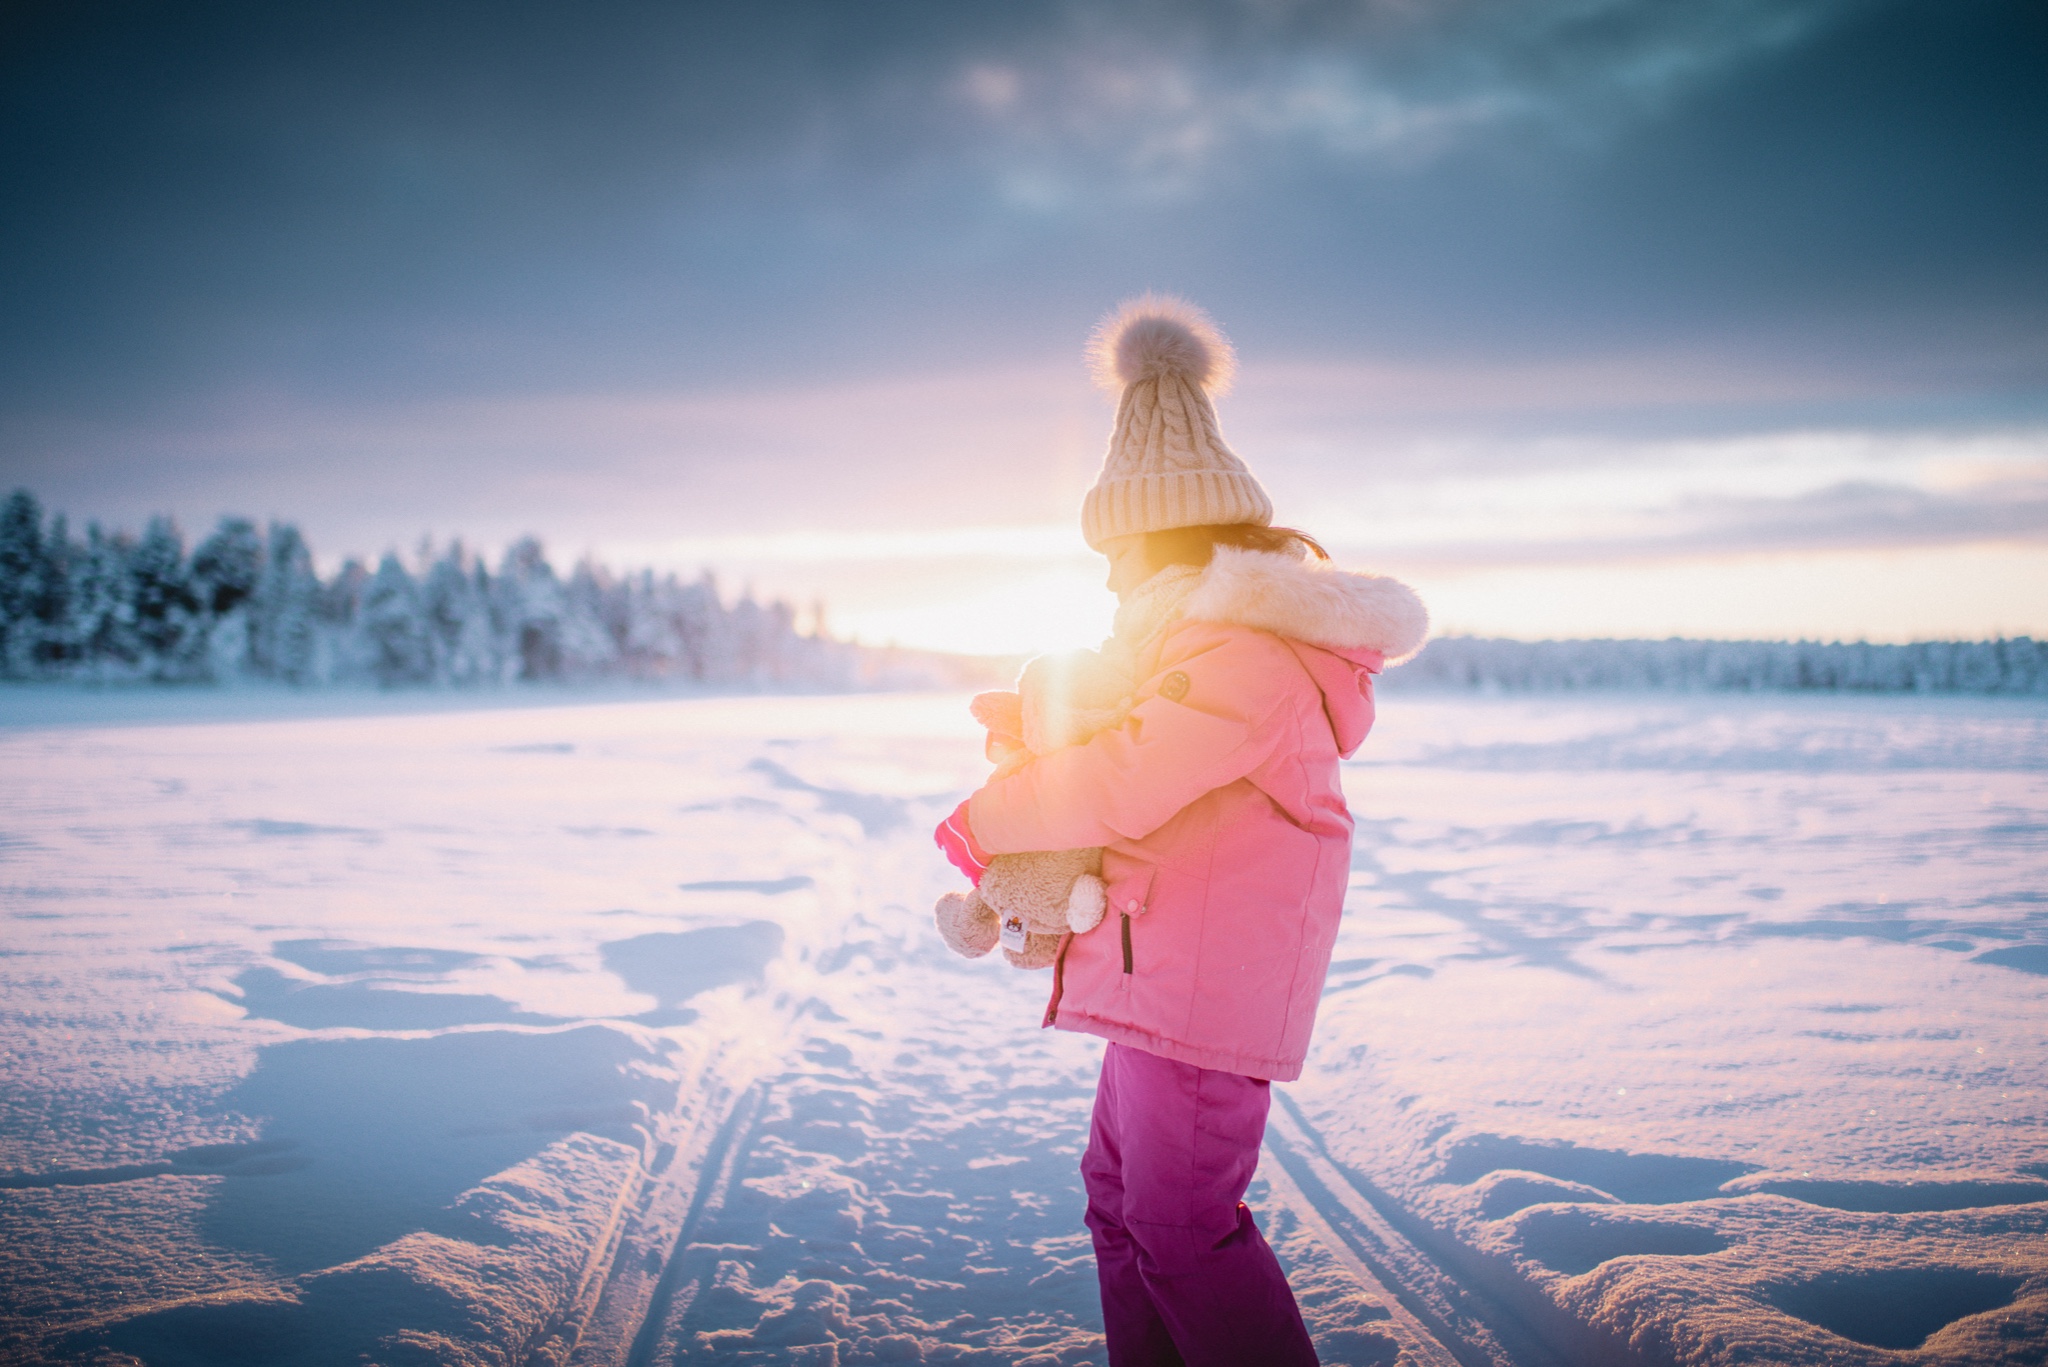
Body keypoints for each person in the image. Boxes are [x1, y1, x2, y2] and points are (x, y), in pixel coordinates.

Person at [934, 295, 1429, 1366]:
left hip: (1201, 988)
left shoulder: (1240, 654)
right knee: (1116, 1201)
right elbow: (1136, 741)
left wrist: (981, 821)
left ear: (1169, 536)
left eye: (1118, 552)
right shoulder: (1193, 649)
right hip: (1159, 971)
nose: (1107, 580)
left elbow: (1123, 777)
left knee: (1176, 1227)